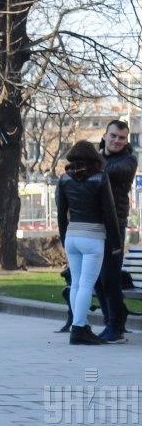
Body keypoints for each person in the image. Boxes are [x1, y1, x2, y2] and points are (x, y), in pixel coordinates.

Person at [57, 140, 121, 345]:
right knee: (86, 285)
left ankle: (81, 325)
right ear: (94, 157)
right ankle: (78, 329)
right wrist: (116, 242)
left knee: (76, 283)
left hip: (72, 237)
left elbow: (61, 214)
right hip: (93, 237)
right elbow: (109, 212)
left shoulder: (64, 179)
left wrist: (64, 238)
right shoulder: (100, 177)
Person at [95, 120, 137, 343]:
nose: (117, 141)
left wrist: (92, 161)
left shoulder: (129, 160)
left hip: (114, 227)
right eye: (113, 136)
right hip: (94, 225)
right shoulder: (97, 158)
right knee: (96, 278)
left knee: (109, 278)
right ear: (105, 135)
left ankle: (116, 327)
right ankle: (110, 321)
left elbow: (108, 172)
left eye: (122, 138)